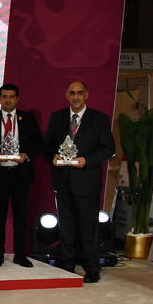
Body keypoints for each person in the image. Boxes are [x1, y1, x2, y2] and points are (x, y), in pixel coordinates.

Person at [42, 81, 116, 283]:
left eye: (80, 93)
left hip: (87, 181)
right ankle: (67, 264)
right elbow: (47, 146)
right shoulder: (57, 117)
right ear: (66, 95)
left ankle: (92, 267)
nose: (76, 97)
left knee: (89, 227)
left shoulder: (99, 119)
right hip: (62, 181)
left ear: (86, 95)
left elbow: (109, 149)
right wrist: (53, 158)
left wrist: (86, 161)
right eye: (72, 93)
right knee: (66, 226)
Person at [0, 83, 43, 268]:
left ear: (17, 98)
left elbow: (39, 144)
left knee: (21, 216)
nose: (8, 100)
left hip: (21, 174)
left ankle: (20, 255)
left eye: (11, 96)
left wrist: (27, 156)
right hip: (0, 174)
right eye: (4, 96)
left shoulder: (28, 118)